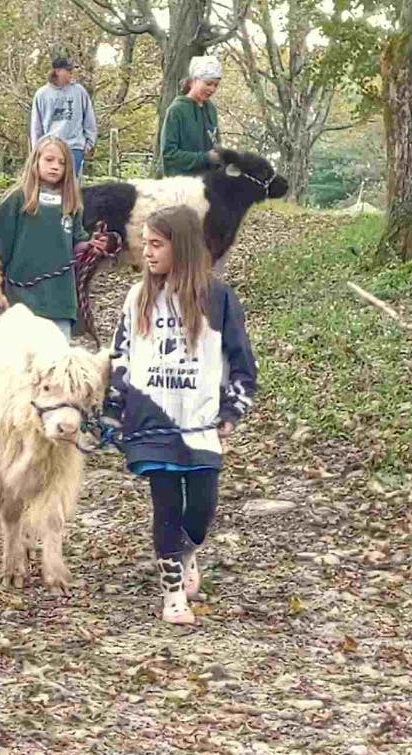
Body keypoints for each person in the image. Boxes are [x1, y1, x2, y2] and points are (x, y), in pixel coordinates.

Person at [100, 205, 256, 625]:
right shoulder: (138, 298)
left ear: (180, 246)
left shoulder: (218, 298)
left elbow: (240, 360)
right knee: (165, 504)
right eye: (144, 244)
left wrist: (233, 408)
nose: (147, 254)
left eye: (156, 245)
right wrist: (113, 411)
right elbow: (121, 356)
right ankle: (172, 594)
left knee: (202, 511)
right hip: (153, 422)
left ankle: (187, 552)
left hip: (201, 423)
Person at [0, 135, 109, 340]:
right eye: (49, 160)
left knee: (56, 359)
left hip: (59, 298)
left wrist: (91, 246)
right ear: (36, 161)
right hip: (20, 295)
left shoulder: (71, 203)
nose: (55, 167)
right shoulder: (18, 199)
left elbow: (77, 243)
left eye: (62, 162)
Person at [29, 56, 97, 180]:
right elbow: (36, 125)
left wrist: (88, 144)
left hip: (74, 147)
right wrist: (36, 148)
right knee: (50, 184)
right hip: (50, 146)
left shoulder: (79, 91)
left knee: (70, 184)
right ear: (58, 71)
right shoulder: (42, 94)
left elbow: (89, 117)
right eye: (68, 71)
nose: (71, 74)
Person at [160, 55, 223, 178]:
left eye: (216, 85)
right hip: (183, 186)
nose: (212, 89)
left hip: (209, 185)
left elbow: (216, 144)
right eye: (208, 83)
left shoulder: (211, 110)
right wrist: (205, 158)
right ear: (194, 80)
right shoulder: (176, 111)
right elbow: (169, 154)